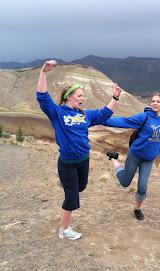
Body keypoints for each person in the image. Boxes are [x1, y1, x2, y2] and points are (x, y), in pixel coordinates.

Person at [36, 60, 121, 240]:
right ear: (69, 96)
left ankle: (65, 183)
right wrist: (43, 73)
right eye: (80, 95)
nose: (83, 99)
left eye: (83, 96)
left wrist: (115, 98)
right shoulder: (57, 113)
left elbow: (104, 114)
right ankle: (64, 230)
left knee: (81, 187)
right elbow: (42, 97)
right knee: (72, 197)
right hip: (67, 162)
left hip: (83, 159)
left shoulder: (84, 115)